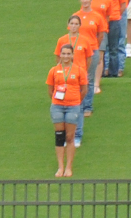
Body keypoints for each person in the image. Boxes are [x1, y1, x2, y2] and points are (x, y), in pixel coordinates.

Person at [47, 44, 85, 177]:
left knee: (70, 137)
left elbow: (84, 89)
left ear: (73, 55)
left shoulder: (79, 70)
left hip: (73, 106)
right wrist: (57, 100)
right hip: (57, 106)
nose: (66, 56)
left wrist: (75, 100)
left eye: (69, 54)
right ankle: (60, 167)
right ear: (60, 55)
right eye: (64, 54)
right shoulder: (54, 70)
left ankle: (69, 167)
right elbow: (50, 89)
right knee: (59, 136)